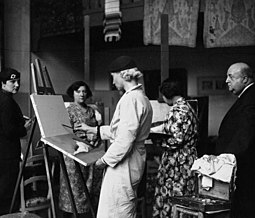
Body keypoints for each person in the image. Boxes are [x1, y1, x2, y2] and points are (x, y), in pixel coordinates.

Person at [75, 56, 153, 218]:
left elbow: (125, 140)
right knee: (116, 208)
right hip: (130, 161)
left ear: (123, 74)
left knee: (117, 211)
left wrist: (103, 161)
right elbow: (120, 132)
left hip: (125, 163)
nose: (112, 82)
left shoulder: (131, 99)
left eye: (113, 77)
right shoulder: (140, 97)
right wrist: (93, 130)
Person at [214, 62, 255, 217]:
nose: (226, 80)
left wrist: (229, 156)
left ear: (245, 79)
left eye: (231, 76)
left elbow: (247, 131)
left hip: (246, 167)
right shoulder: (247, 97)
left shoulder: (252, 98)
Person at [0, 68, 32, 216]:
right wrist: (24, 128)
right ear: (3, 83)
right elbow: (9, 131)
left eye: (18, 81)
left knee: (2, 187)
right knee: (6, 188)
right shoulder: (6, 102)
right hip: (7, 153)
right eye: (12, 81)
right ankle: (5, 215)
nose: (17, 85)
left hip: (0, 152)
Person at [151, 79, 199, 218]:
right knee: (184, 195)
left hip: (177, 160)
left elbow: (176, 139)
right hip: (187, 157)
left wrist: (157, 139)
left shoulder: (178, 109)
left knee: (173, 195)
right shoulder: (188, 107)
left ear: (166, 95)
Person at [59, 81, 102, 218]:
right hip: (74, 152)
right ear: (73, 93)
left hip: (90, 151)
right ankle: (70, 213)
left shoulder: (91, 111)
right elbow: (65, 133)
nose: (81, 94)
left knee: (89, 185)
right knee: (74, 186)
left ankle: (86, 214)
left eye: (84, 91)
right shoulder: (68, 111)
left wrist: (94, 138)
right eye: (78, 91)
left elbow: (98, 130)